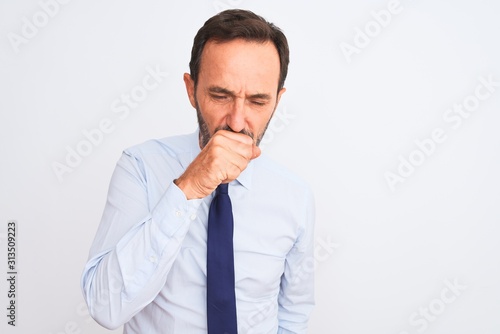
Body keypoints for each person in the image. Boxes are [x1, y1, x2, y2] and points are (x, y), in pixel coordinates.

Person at [81, 8, 315, 334]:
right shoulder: (140, 168)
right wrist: (187, 188)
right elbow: (105, 307)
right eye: (220, 95)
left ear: (277, 100)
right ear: (191, 90)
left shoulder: (295, 196)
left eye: (258, 101)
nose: (236, 121)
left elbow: (293, 315)